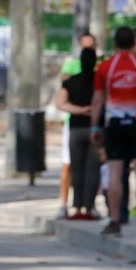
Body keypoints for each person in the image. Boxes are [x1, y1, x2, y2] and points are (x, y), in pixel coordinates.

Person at [91, 25, 136, 236]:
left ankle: (115, 219)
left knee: (115, 173)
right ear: (135, 42)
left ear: (115, 43)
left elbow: (98, 99)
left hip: (115, 125)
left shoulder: (105, 67)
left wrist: (94, 126)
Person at [56, 44, 99, 221]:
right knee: (92, 169)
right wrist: (89, 111)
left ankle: (78, 205)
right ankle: (89, 206)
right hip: (94, 129)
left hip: (76, 128)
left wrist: (78, 110)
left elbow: (60, 103)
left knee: (78, 168)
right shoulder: (99, 82)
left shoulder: (71, 82)